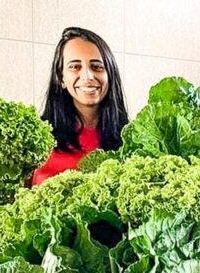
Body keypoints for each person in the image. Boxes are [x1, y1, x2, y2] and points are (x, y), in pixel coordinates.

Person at [32, 27, 129, 186]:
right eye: (75, 66)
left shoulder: (130, 141)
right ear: (61, 77)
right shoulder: (36, 138)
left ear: (110, 75)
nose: (87, 76)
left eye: (97, 66)